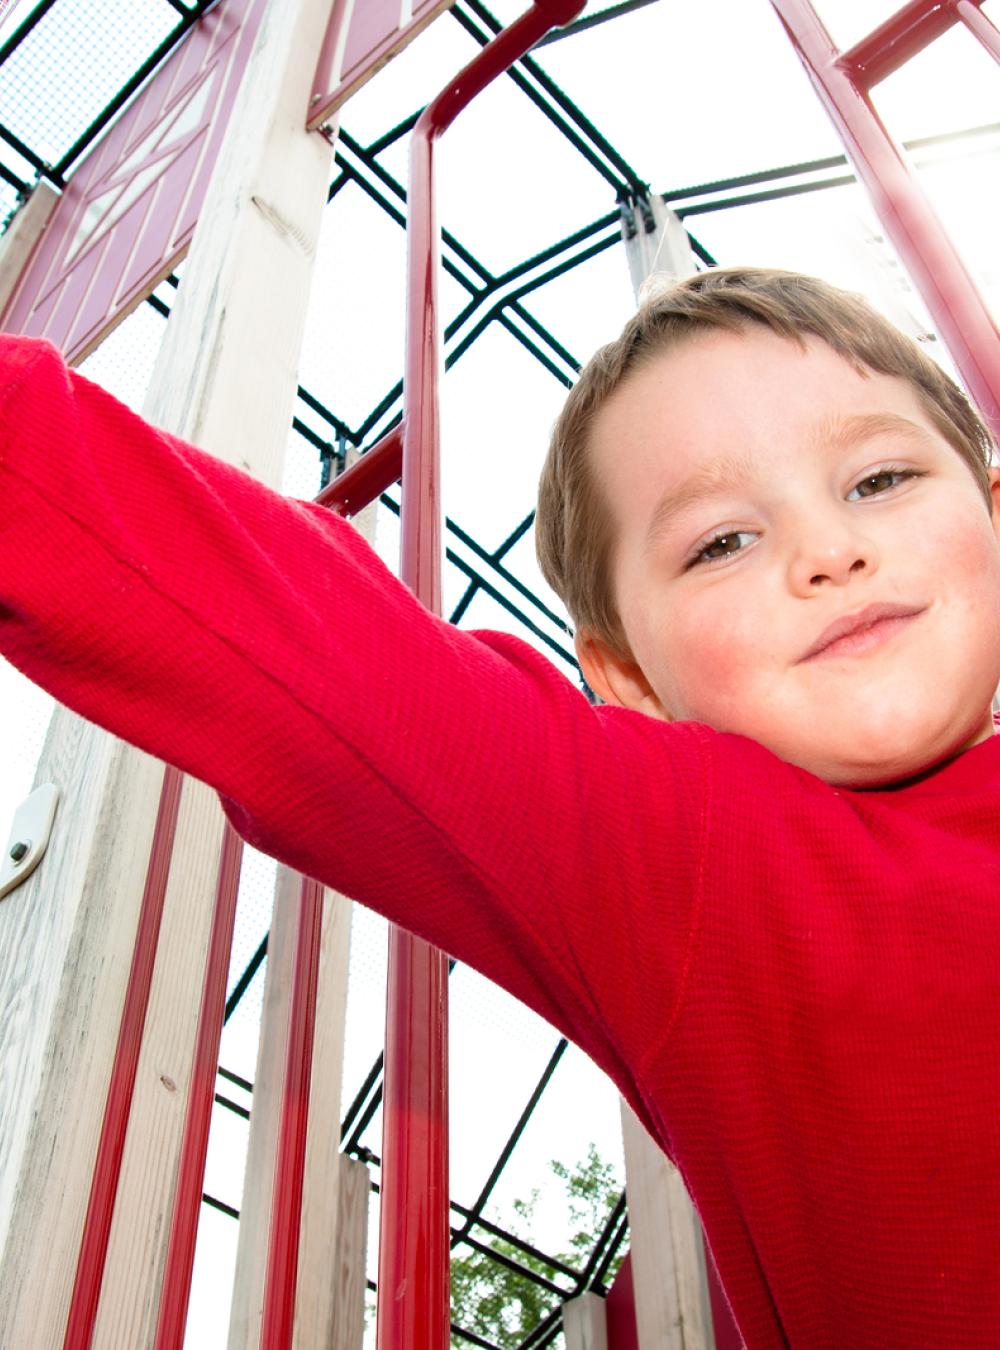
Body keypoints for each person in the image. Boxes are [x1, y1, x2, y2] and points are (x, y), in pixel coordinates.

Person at [2, 266, 1000, 1348]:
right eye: (720, 541)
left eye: (880, 480)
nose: (827, 552)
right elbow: (311, 656)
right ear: (628, 680)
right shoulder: (691, 855)